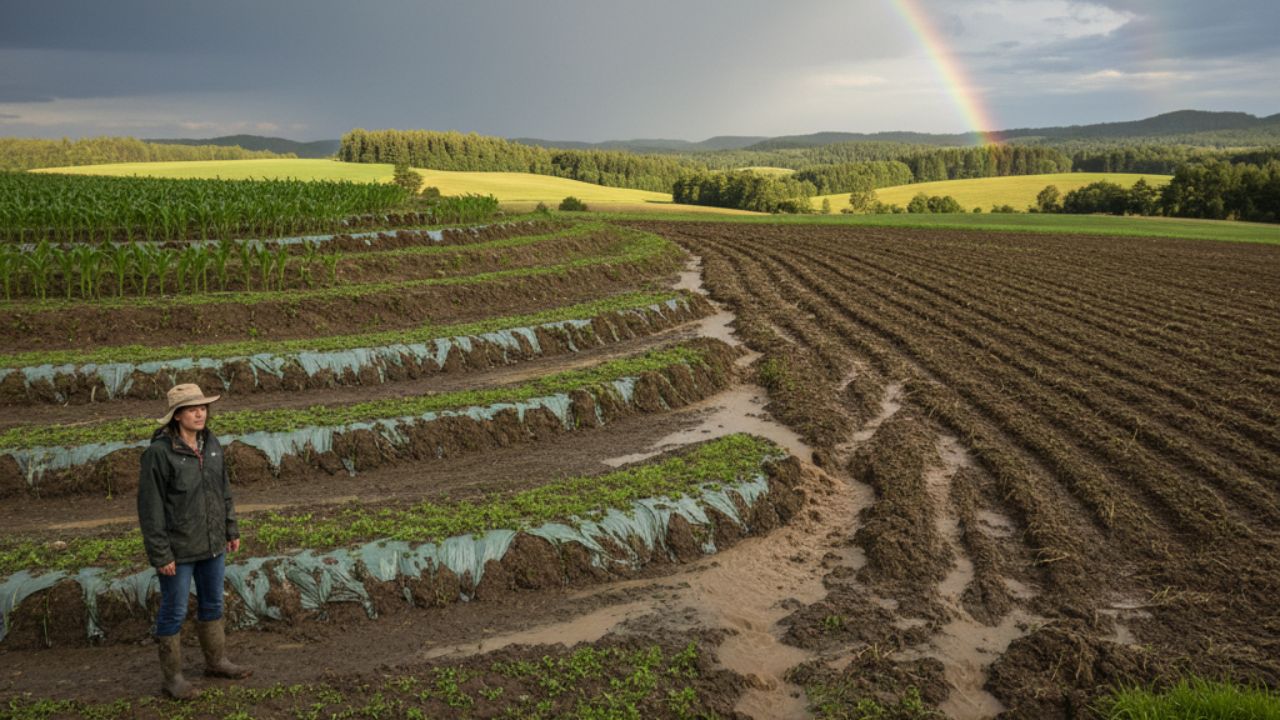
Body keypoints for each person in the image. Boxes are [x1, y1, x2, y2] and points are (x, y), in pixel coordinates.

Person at [137, 383, 253, 699]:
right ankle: (172, 679)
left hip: (213, 542)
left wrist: (230, 529)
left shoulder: (211, 444)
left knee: (213, 602)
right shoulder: (159, 454)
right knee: (174, 610)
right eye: (191, 408)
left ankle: (216, 661)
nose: (200, 413)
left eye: (202, 407)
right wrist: (162, 554)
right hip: (179, 548)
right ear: (177, 416)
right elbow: (151, 510)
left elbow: (222, 490)